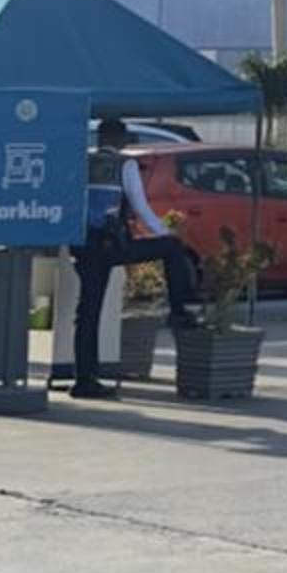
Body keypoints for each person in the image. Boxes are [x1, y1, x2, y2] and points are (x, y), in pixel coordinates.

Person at [70, 118, 203, 399]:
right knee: (171, 248)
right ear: (120, 139)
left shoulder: (81, 162)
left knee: (87, 313)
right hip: (111, 245)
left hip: (82, 246)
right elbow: (140, 206)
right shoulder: (125, 165)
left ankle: (84, 380)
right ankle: (179, 310)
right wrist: (165, 233)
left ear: (100, 137)